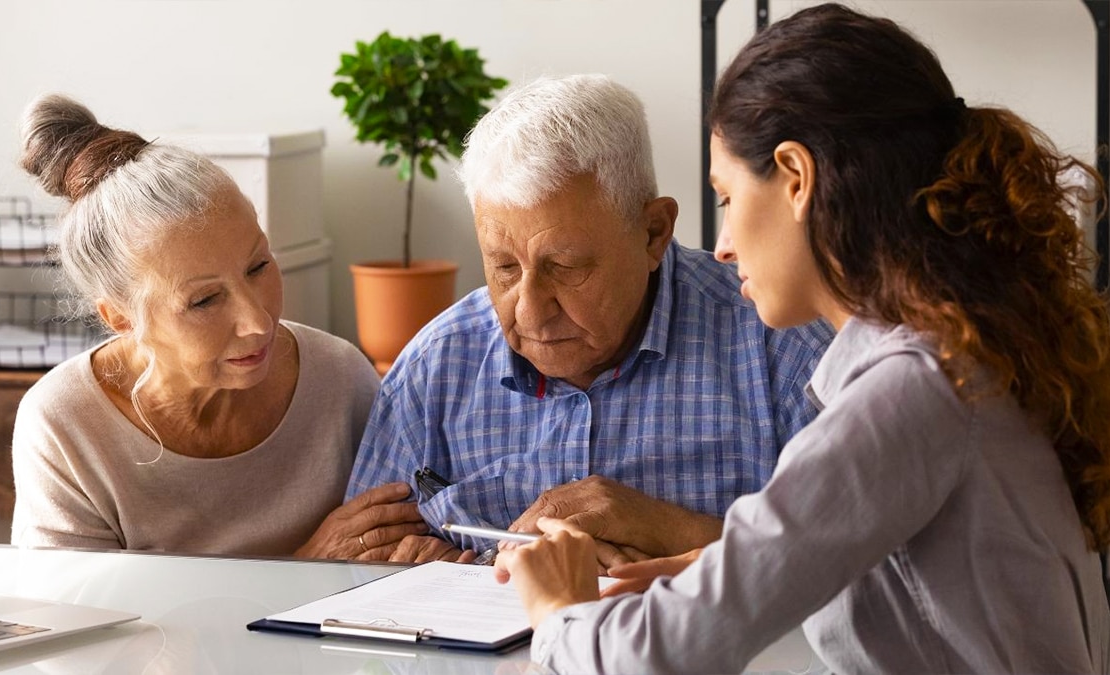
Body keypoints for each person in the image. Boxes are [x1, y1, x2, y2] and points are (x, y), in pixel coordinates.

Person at [493, 5, 1110, 673]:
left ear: (796, 177)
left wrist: (557, 608)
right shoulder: (955, 359)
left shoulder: (913, 390)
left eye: (726, 198)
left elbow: (648, 658)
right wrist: (714, 569)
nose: (721, 247)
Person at [343, 74, 833, 565]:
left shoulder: (783, 348)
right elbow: (352, 575)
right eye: (504, 268)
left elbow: (857, 572)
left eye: (565, 267)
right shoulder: (435, 368)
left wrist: (670, 530)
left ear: (653, 232)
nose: (530, 309)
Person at [10, 94, 425, 559]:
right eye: (204, 300)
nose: (257, 321)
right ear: (120, 317)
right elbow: (83, 617)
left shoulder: (339, 377)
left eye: (258, 266)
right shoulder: (65, 425)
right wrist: (306, 566)